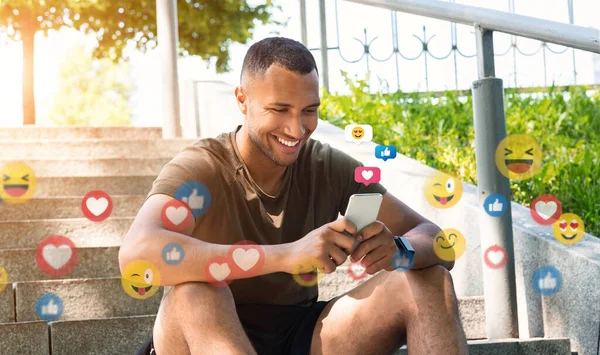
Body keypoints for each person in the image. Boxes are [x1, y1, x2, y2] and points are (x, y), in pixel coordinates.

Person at [121, 36, 468, 355]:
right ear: (242, 100)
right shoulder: (200, 169)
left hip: (301, 332)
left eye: (309, 110)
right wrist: (286, 256)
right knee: (197, 293)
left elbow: (439, 242)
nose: (296, 129)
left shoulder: (325, 165)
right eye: (280, 109)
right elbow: (137, 256)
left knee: (429, 279)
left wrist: (401, 249)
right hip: (207, 332)